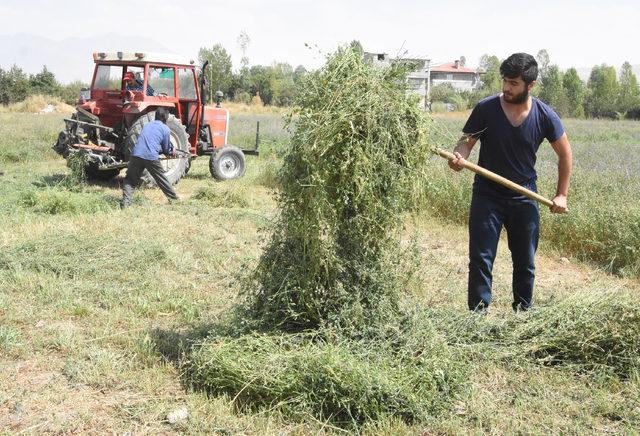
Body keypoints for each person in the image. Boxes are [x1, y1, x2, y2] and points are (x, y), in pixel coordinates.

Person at [448, 53, 572, 313]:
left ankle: (523, 315)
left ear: (531, 84)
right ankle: (477, 316)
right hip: (487, 195)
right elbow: (467, 142)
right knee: (481, 259)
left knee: (525, 261)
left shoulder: (545, 115)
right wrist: (460, 156)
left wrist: (562, 195)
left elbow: (565, 154)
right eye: (505, 81)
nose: (506, 87)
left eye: (514, 83)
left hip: (524, 196)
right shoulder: (486, 109)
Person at [121, 107, 178, 208]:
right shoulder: (165, 129)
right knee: (161, 179)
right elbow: (166, 149)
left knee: (130, 179)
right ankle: (174, 200)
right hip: (151, 157)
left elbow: (149, 143)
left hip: (135, 155)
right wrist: (171, 152)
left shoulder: (147, 125)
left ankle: (125, 203)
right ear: (165, 117)